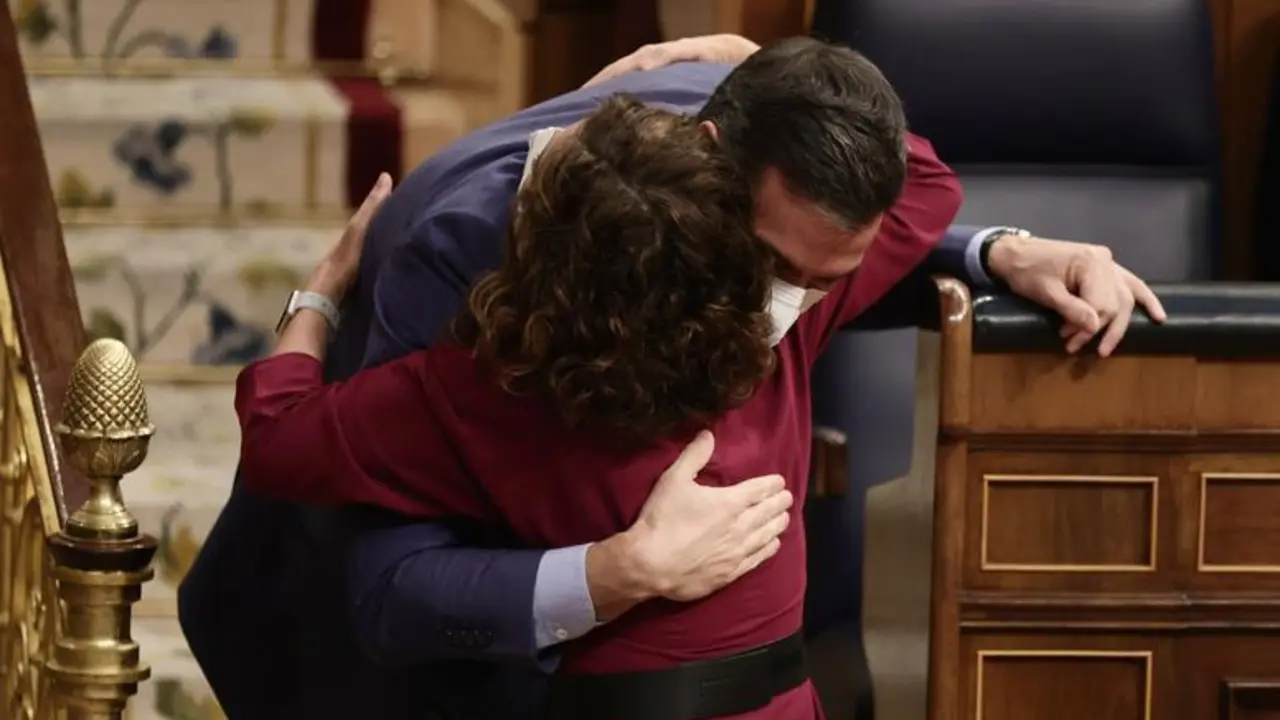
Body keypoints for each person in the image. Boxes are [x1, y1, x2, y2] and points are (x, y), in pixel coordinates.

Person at [180, 36, 1166, 719]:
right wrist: (749, 65)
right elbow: (921, 181)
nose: (793, 291)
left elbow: (280, 436)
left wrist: (316, 299)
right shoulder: (771, 342)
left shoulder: (468, 390)